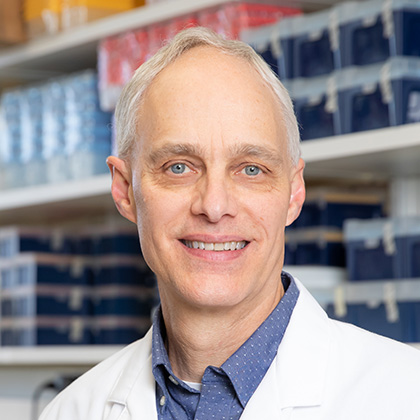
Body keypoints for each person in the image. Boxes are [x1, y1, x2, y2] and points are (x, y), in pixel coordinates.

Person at [40, 27, 420, 420]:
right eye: (179, 167)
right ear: (125, 191)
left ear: (293, 194)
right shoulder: (70, 411)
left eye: (251, 169)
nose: (215, 205)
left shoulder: (405, 396)